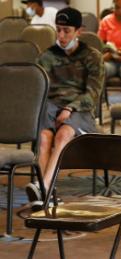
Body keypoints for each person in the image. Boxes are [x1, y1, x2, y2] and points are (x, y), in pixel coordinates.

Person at [25, 7, 104, 203]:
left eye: (66, 30)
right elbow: (38, 88)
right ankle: (47, 194)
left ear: (79, 31)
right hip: (51, 106)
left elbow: (93, 93)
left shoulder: (92, 56)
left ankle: (43, 187)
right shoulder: (47, 56)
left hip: (81, 108)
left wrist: (70, 108)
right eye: (58, 29)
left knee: (63, 135)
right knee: (43, 138)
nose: (61, 35)